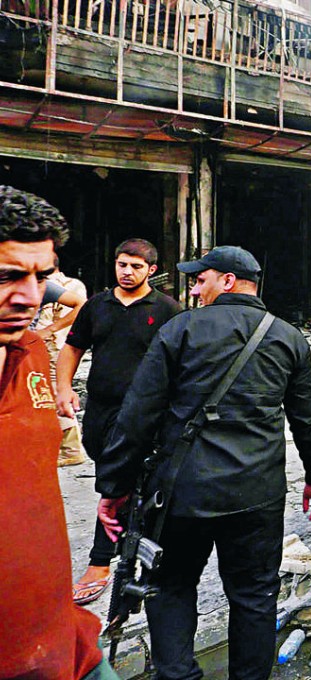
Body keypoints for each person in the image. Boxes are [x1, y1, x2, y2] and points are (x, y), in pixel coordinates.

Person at [96, 245, 311, 679]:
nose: (193, 288)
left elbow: (137, 416)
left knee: (169, 590)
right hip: (256, 497)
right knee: (255, 597)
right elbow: (307, 420)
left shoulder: (179, 330)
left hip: (182, 496)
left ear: (227, 281)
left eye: (199, 279)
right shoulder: (288, 337)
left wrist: (114, 487)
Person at [0, 185, 114, 679]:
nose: (28, 297)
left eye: (40, 277)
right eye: (7, 276)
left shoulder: (29, 351)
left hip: (70, 649)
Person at [56, 238, 182, 605]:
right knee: (113, 475)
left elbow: (181, 362)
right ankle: (129, 543)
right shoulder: (97, 305)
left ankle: (100, 561)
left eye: (137, 267)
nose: (128, 272)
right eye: (122, 265)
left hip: (143, 413)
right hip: (100, 408)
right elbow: (72, 348)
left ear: (152, 271)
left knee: (118, 480)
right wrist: (63, 388)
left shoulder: (167, 310)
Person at [35, 256, 88, 465]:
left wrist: (49, 331)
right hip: (56, 346)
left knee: (54, 395)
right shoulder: (72, 285)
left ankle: (70, 449)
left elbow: (78, 310)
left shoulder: (54, 287)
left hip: (54, 348)